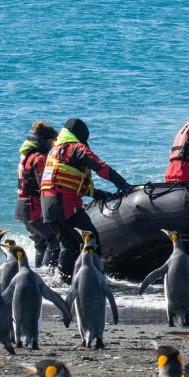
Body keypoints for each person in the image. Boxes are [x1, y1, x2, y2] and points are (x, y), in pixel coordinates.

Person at [40, 118, 130, 281]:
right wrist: (123, 185)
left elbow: (70, 182)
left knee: (69, 245)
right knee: (90, 239)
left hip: (47, 206)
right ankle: (94, 279)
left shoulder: (55, 150)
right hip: (64, 205)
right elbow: (101, 167)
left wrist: (100, 194)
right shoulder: (76, 148)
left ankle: (64, 281)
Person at [16, 121, 60, 268]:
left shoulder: (26, 155)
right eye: (53, 142)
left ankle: (38, 275)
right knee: (53, 240)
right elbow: (45, 185)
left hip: (23, 207)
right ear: (47, 141)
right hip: (33, 207)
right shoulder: (40, 158)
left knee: (40, 243)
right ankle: (47, 276)